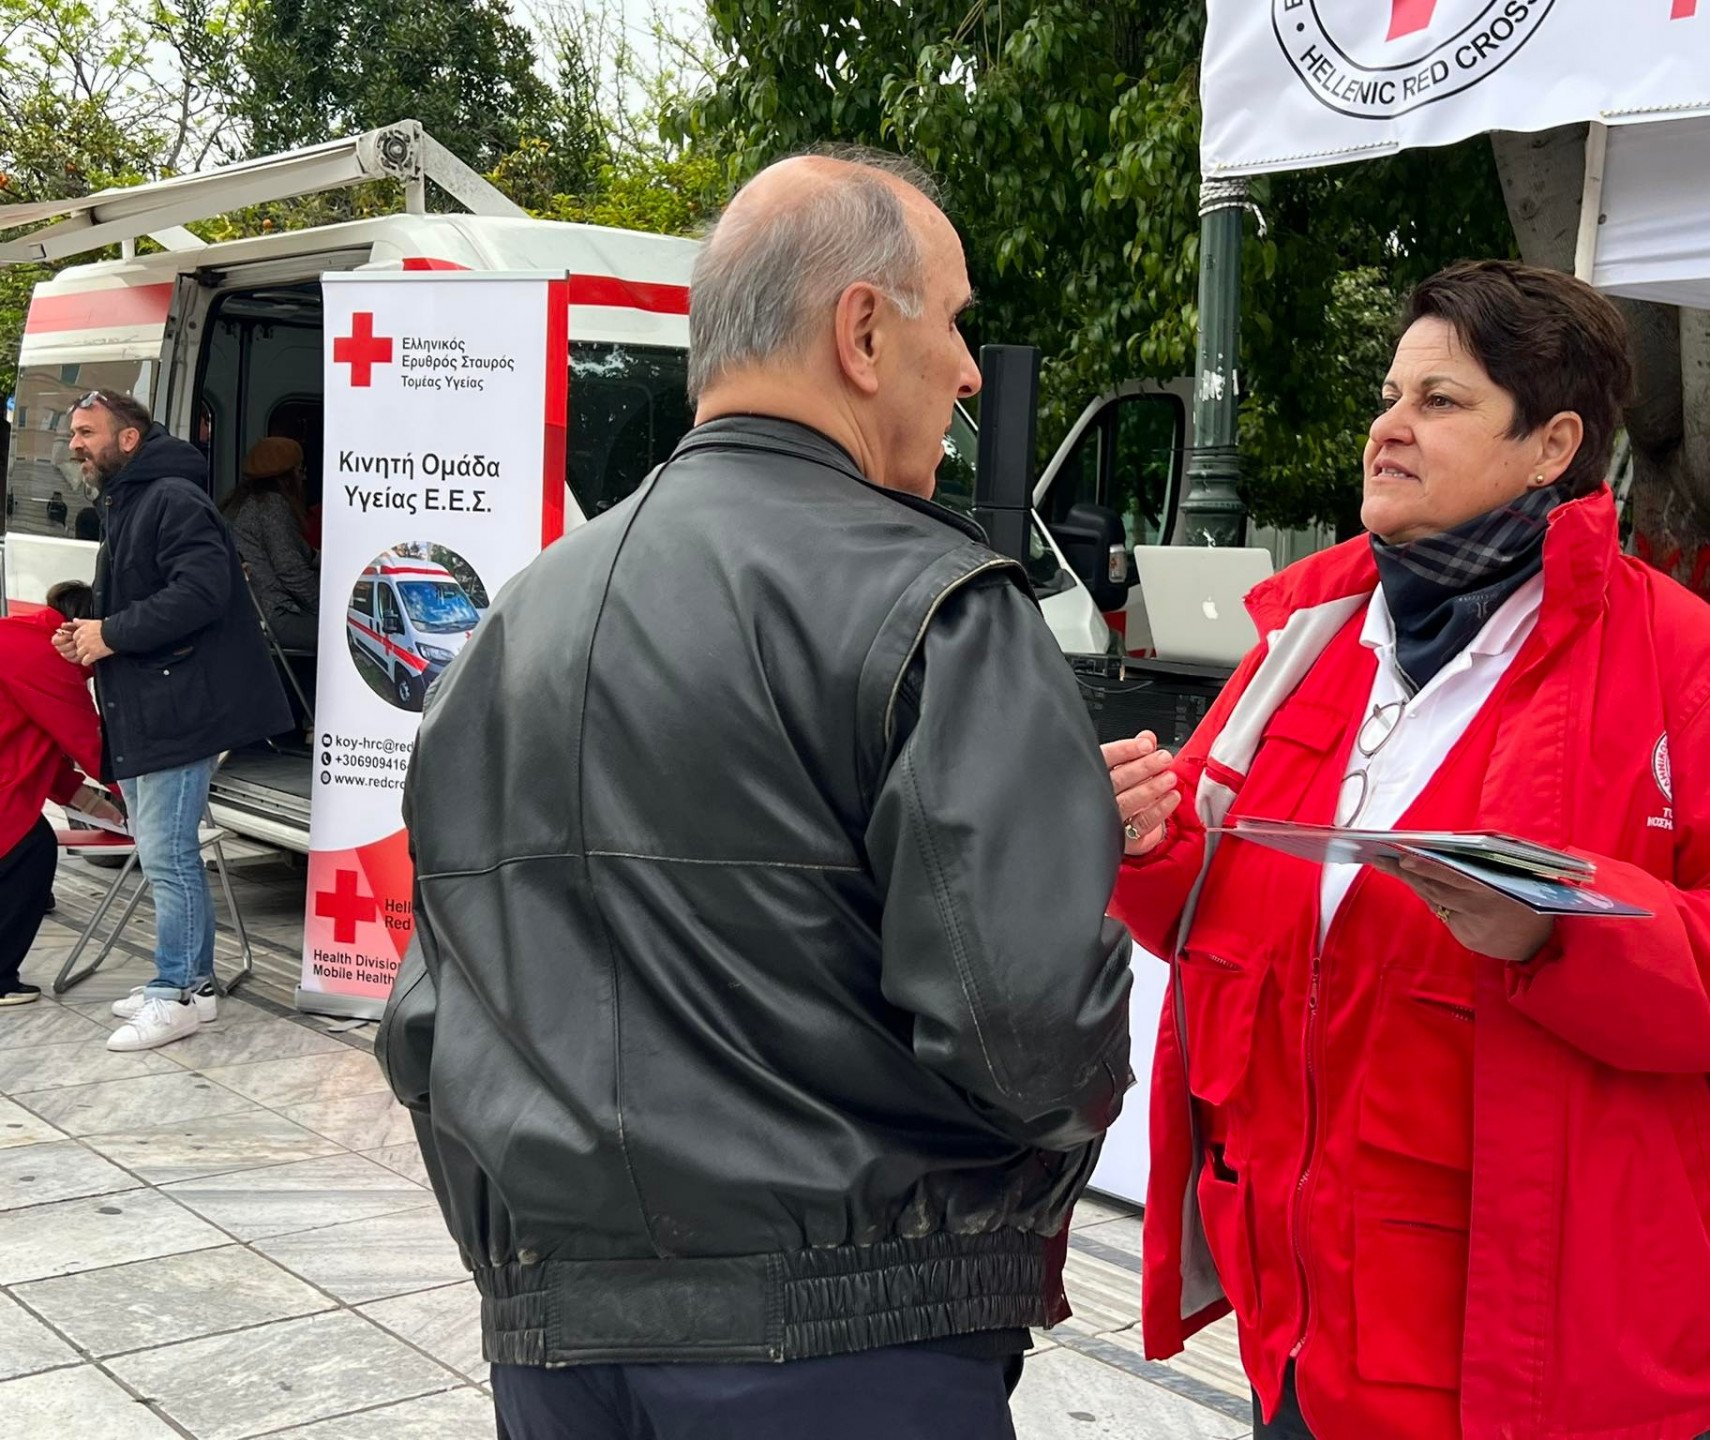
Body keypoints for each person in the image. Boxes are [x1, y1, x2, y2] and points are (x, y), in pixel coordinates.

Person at [378, 147, 1134, 1440]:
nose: (968, 372)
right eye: (955, 322)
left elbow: (426, 1023)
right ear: (861, 331)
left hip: (556, 1352)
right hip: (853, 1347)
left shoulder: (513, 621)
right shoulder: (941, 604)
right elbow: (1032, 1034)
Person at [1105, 261, 1710, 1440]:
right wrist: (1149, 848)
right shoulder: (1302, 643)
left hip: (1559, 1357)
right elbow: (1220, 921)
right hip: (1308, 1336)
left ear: (1552, 445)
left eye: (1440, 400)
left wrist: (1561, 935)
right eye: (1390, 395)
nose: (1388, 426)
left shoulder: (1697, 675)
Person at [54, 390, 291, 1051]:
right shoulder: (131, 498)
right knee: (165, 852)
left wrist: (112, 633)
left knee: (167, 854)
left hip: (179, 706)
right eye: (73, 433)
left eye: (86, 432)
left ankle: (177, 992)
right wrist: (89, 633)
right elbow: (146, 596)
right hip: (149, 702)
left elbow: (201, 593)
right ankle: (198, 985)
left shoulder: (172, 499)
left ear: (128, 438)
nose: (74, 444)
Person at [0, 583, 123, 1005]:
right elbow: (89, 743)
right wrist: (141, 791)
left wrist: (90, 803)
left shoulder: (22, 635)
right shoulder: (49, 659)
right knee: (29, 852)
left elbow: (39, 744)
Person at [224, 436, 321, 651]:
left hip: (251, 612)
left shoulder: (241, 504)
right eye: (301, 470)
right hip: (275, 615)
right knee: (350, 635)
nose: (304, 477)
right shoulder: (271, 506)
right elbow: (290, 569)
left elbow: (297, 552)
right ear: (288, 477)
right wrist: (327, 608)